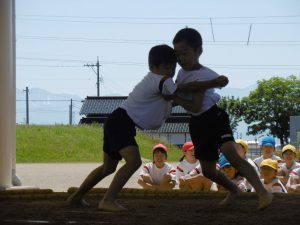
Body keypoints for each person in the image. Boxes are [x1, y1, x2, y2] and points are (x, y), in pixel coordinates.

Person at [66, 44, 226, 212]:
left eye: (173, 66)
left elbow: (176, 94)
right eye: (166, 67)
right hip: (122, 122)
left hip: (118, 121)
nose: (170, 71)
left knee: (108, 167)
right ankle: (108, 200)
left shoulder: (160, 81)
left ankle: (76, 197)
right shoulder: (162, 80)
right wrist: (213, 82)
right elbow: (182, 89)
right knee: (134, 161)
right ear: (152, 67)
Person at [170, 27, 272, 209]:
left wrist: (176, 95)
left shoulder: (205, 74)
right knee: (208, 170)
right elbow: (181, 94)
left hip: (214, 117)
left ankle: (263, 193)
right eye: (177, 55)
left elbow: (197, 103)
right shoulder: (181, 73)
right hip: (197, 123)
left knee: (233, 157)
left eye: (185, 53)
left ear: (198, 51)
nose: (181, 59)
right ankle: (234, 190)